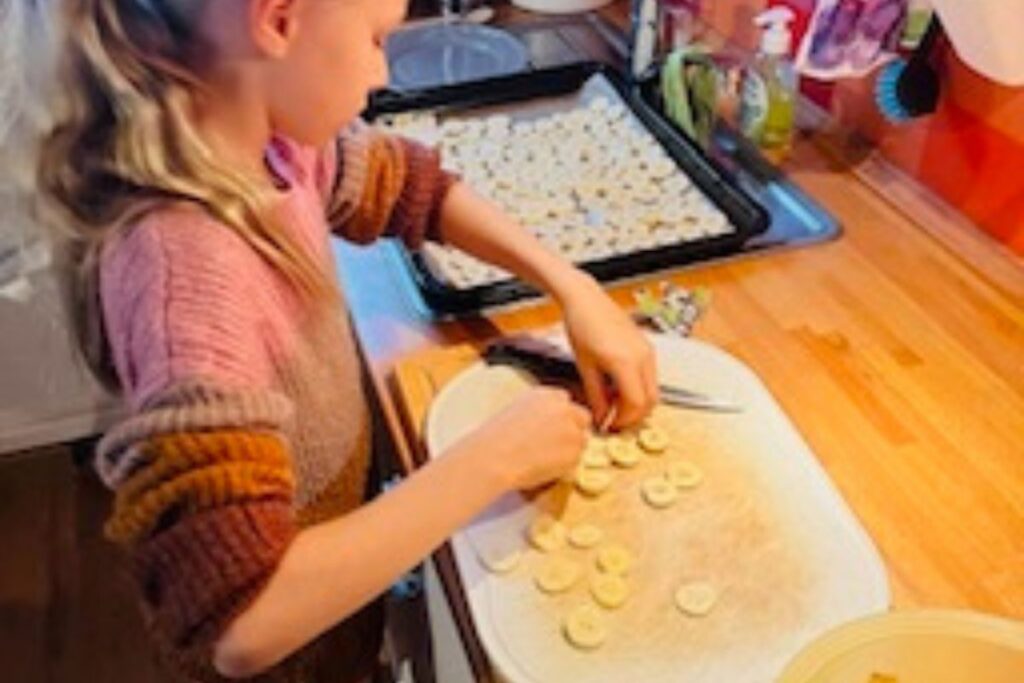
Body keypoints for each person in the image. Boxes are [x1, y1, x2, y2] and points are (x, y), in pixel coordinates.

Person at [34, 0, 658, 680]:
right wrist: (494, 460)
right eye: (375, 39)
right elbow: (243, 622)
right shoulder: (184, 273)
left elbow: (405, 186)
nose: (382, 72)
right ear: (277, 21)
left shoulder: (268, 144)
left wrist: (572, 287)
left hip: (341, 608)